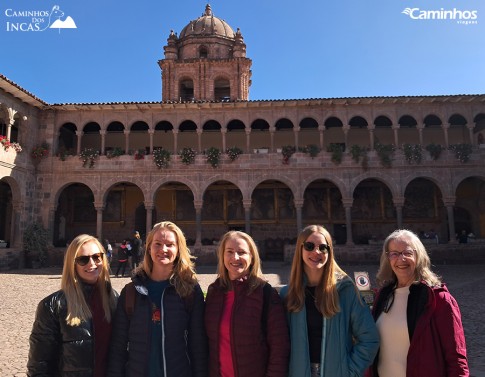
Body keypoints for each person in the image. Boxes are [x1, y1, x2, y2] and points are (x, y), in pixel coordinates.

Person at [108, 221, 207, 376]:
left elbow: (198, 345)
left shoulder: (189, 291)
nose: (163, 249)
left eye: (170, 244)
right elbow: (118, 346)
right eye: (158, 244)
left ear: (179, 249)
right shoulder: (131, 292)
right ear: (148, 247)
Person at [280, 225, 379, 377]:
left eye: (323, 247)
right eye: (309, 246)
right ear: (300, 249)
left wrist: (349, 372)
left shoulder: (346, 291)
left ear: (329, 251)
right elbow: (278, 343)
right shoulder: (288, 294)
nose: (316, 252)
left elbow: (369, 338)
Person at [368, 229, 469, 377]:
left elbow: (456, 359)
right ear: (388, 258)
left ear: (419, 256)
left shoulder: (438, 300)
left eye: (407, 253)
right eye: (394, 254)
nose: (401, 259)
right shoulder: (382, 297)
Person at [27, 234, 117, 377]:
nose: (92, 263)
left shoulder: (115, 300)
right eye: (83, 259)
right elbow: (40, 365)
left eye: (96, 257)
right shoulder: (52, 306)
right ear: (72, 264)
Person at [205, 231, 290, 377]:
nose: (235, 257)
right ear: (222, 255)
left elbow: (279, 348)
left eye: (242, 252)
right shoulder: (214, 292)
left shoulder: (265, 293)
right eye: (229, 251)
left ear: (252, 257)